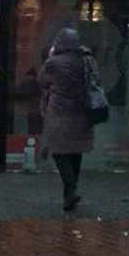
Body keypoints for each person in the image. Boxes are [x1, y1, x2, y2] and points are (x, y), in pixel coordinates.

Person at [40, 28, 95, 211]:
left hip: (59, 112)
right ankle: (70, 192)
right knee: (75, 152)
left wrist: (50, 56)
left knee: (59, 152)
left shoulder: (54, 62)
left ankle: (69, 189)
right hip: (81, 111)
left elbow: (42, 81)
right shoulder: (86, 59)